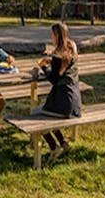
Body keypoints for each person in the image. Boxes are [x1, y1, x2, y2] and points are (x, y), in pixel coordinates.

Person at [34, 22, 81, 163]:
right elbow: (63, 68)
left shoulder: (57, 55)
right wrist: (52, 63)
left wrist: (43, 67)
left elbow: (53, 79)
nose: (51, 37)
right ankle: (64, 143)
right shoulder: (72, 49)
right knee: (46, 113)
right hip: (75, 105)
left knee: (35, 113)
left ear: (56, 36)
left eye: (52, 34)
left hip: (62, 103)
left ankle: (54, 147)